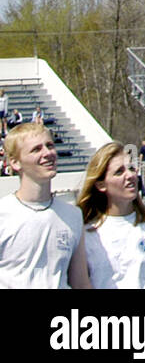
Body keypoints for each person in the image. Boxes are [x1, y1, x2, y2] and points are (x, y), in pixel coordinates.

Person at [77, 142, 145, 289]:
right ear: (101, 185)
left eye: (131, 168)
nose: (130, 175)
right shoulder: (85, 234)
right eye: (119, 172)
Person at [0, 124, 90, 289]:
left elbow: (81, 283)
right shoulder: (3, 214)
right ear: (15, 163)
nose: (48, 153)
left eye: (50, 146)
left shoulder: (73, 215)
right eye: (36, 149)